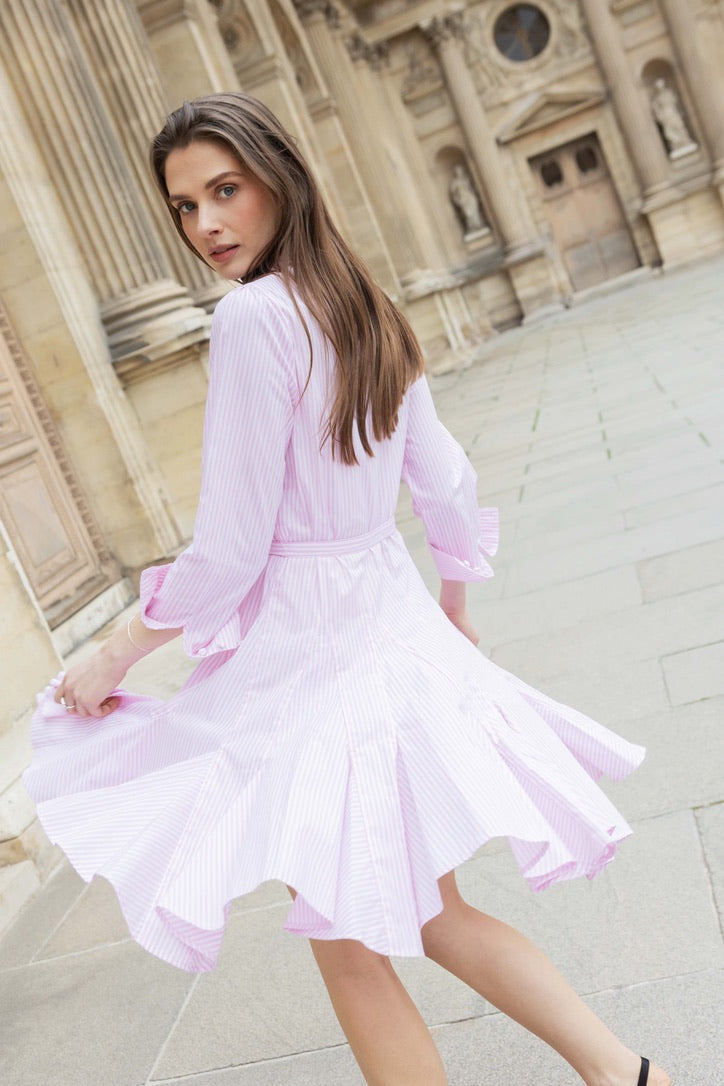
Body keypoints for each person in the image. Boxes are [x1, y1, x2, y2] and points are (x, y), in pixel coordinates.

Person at [23, 93, 669, 1086]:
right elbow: (446, 482)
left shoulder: (253, 318)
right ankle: (629, 1076)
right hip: (383, 630)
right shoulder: (364, 302)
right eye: (186, 206)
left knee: (352, 941)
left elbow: (231, 551)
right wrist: (455, 606)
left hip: (306, 664)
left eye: (225, 191)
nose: (206, 225)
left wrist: (116, 651)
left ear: (280, 178)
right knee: (427, 911)